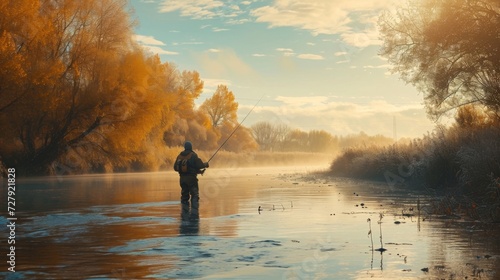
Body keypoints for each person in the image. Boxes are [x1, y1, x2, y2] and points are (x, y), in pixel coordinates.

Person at [173, 141, 209, 209]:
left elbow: (175, 167)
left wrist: (199, 172)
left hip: (182, 179)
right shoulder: (193, 155)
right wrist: (205, 164)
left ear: (185, 147)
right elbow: (199, 165)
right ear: (191, 147)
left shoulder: (179, 156)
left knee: (184, 197)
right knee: (195, 195)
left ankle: (184, 213)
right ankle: (194, 213)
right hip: (191, 180)